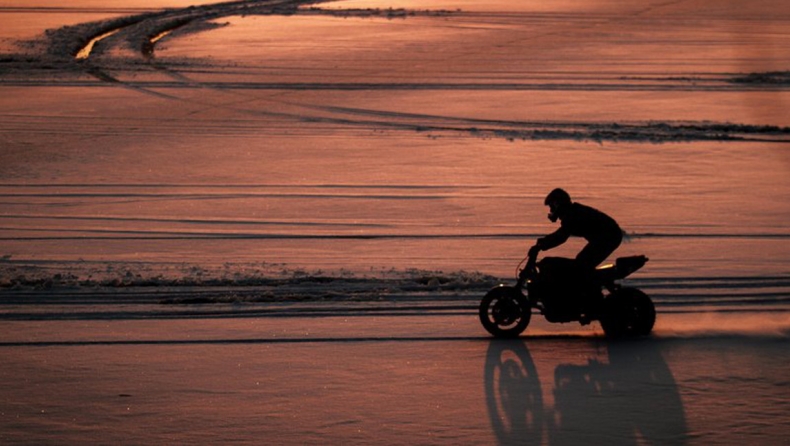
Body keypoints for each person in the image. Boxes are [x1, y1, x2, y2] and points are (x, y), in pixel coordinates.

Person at [529, 188, 623, 270]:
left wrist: (542, 245)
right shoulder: (572, 212)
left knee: (581, 265)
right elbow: (561, 233)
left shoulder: (572, 215)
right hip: (605, 238)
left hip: (608, 238)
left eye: (551, 207)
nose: (551, 211)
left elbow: (561, 236)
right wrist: (543, 241)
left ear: (557, 204)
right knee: (581, 263)